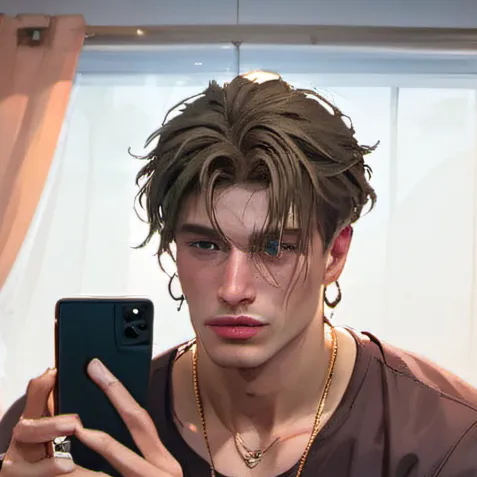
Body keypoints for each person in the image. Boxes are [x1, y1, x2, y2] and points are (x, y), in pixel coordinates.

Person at [1, 71, 477, 477]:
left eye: (275, 248)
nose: (233, 289)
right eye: (205, 245)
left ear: (334, 253)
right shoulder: (57, 429)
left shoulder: (446, 437)